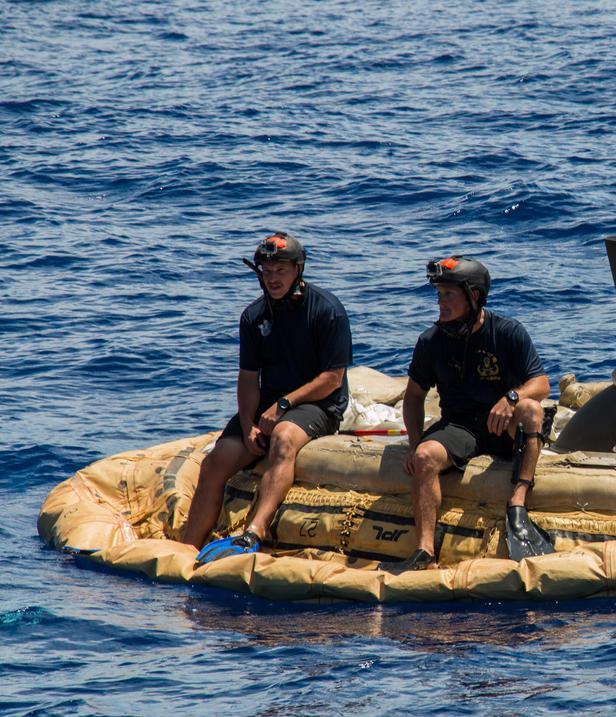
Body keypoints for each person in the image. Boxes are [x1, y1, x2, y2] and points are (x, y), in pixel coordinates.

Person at [182, 232, 352, 564]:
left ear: (298, 269)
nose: (273, 278)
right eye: (267, 270)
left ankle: (254, 531)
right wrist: (247, 425)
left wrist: (284, 406)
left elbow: (333, 379)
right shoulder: (253, 316)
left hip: (319, 403)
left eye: (281, 270)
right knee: (216, 461)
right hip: (266, 405)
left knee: (284, 439)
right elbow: (248, 379)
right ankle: (187, 549)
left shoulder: (328, 310)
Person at [383, 255, 552, 572]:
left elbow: (541, 383)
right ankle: (424, 551)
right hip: (461, 427)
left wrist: (511, 397)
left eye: (448, 294)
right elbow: (415, 396)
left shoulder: (507, 332)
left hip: (502, 424)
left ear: (473, 296)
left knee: (531, 408)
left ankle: (517, 501)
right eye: (438, 294)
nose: (440, 302)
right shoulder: (431, 341)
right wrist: (414, 442)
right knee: (424, 458)